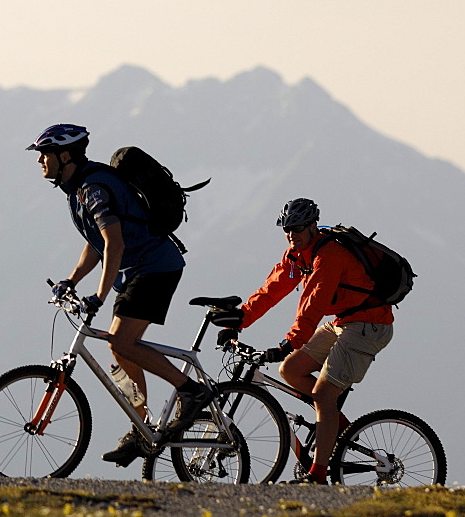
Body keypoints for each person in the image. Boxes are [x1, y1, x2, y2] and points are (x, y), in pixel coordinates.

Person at [27, 123, 213, 467]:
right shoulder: (79, 187)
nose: (40, 160)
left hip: (155, 268)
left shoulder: (93, 188)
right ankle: (142, 427)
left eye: (44, 154)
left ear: (64, 156)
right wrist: (71, 280)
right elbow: (96, 243)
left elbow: (114, 243)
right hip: (135, 271)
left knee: (122, 341)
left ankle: (191, 391)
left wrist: (97, 295)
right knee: (118, 345)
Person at [215, 198, 394, 484]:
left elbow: (312, 304)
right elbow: (272, 290)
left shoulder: (328, 255)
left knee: (323, 394)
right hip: (344, 323)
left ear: (313, 226)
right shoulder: (298, 256)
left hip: (369, 324)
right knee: (290, 370)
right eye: (287, 228)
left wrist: (289, 343)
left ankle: (319, 475)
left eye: (297, 228)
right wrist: (240, 320)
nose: (291, 234)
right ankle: (337, 426)